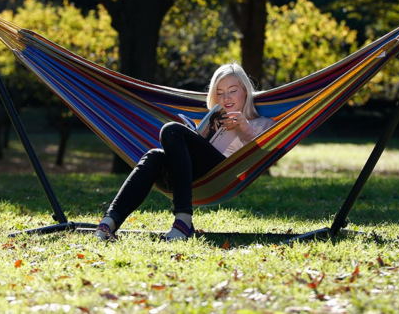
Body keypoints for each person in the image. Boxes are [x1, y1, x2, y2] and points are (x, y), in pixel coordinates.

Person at [95, 62, 275, 241]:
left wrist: (246, 130)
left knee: (172, 129)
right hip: (193, 176)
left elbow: (263, 158)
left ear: (245, 90)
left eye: (233, 90)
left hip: (224, 176)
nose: (226, 97)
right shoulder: (214, 121)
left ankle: (183, 221)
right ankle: (109, 222)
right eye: (219, 93)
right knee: (154, 156)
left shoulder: (264, 123)